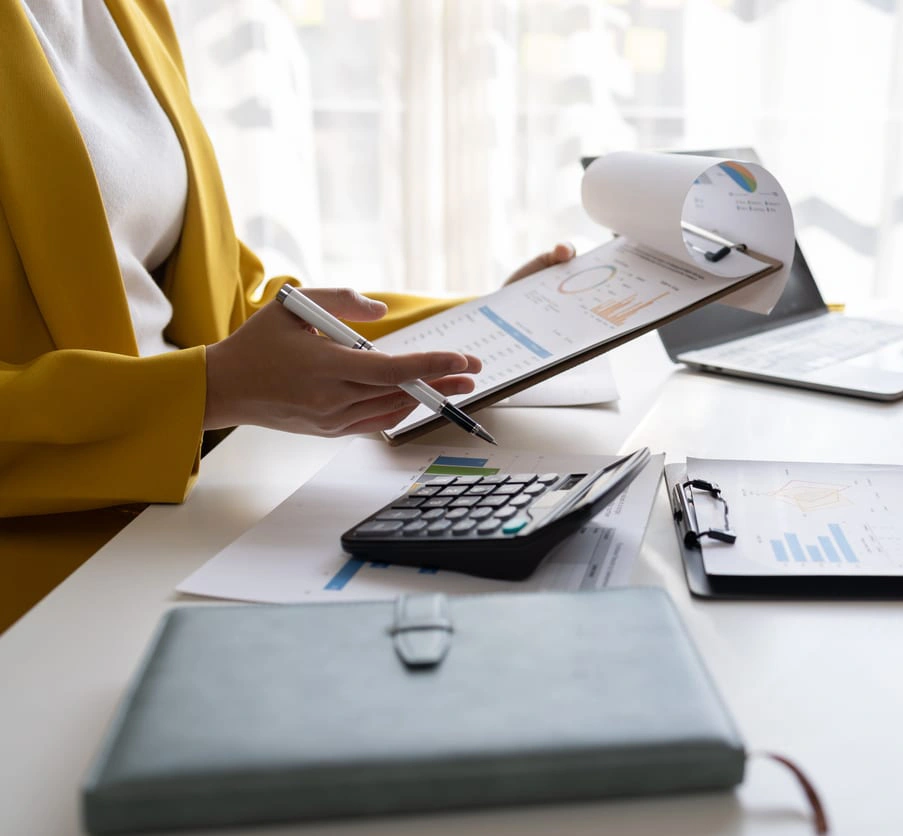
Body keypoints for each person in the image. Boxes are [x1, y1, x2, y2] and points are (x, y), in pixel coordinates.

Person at [0, 0, 572, 631]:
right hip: (54, 587)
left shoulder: (127, 11)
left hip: (196, 512)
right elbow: (221, 361)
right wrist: (208, 389)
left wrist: (490, 315)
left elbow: (222, 301)